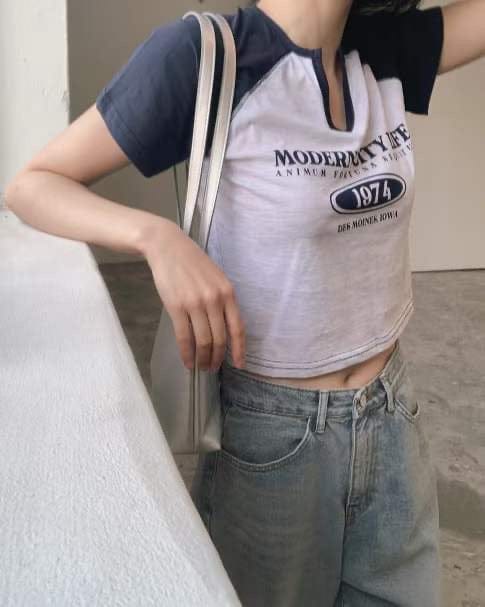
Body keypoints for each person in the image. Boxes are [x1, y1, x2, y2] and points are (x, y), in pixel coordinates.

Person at [5, 0, 484, 604]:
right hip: (274, 437)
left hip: (391, 416)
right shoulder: (205, 56)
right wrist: (156, 238)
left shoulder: (382, 49)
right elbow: (32, 186)